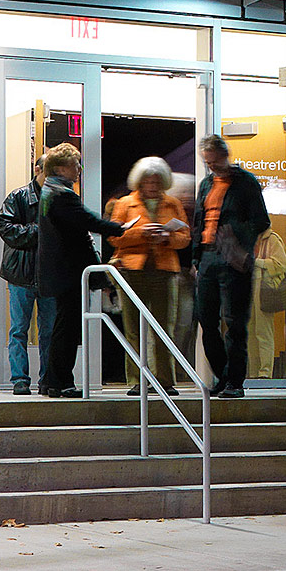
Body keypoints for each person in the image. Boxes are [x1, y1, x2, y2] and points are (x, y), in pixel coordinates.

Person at [34, 143, 125, 397]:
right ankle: (60, 382)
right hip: (68, 273)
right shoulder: (61, 195)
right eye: (76, 165)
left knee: (63, 326)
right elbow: (86, 221)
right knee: (68, 328)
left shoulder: (48, 191)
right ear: (62, 167)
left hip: (59, 272)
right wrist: (119, 228)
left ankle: (52, 381)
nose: (80, 169)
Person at [187, 136, 270, 399]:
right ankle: (223, 377)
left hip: (233, 258)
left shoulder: (245, 183)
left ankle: (235, 381)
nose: (212, 167)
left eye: (215, 161)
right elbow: (199, 220)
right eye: (207, 162)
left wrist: (236, 238)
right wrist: (196, 259)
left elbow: (261, 221)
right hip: (208, 258)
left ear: (225, 155)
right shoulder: (206, 184)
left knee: (234, 323)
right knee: (207, 321)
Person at [105, 157, 188, 394]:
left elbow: (184, 237)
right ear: (139, 182)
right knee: (133, 328)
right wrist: (141, 233)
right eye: (148, 181)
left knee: (165, 326)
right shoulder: (124, 203)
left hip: (165, 271)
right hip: (133, 271)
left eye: (156, 181)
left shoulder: (173, 204)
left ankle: (165, 380)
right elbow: (113, 237)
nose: (152, 186)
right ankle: (137, 380)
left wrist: (167, 237)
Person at [0, 155, 51, 395]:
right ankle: (20, 379)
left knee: (48, 330)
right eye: (50, 171)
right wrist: (40, 231)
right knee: (19, 328)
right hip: (21, 273)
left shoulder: (58, 198)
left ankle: (48, 379)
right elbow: (6, 228)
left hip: (48, 274)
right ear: (37, 170)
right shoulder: (18, 196)